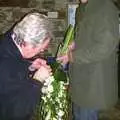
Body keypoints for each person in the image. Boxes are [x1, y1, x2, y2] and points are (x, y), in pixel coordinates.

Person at [70, 0, 119, 120]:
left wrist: (74, 56)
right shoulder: (81, 8)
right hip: (80, 75)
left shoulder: (106, 7)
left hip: (95, 78)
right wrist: (74, 43)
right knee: (79, 114)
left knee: (86, 115)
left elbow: (105, 46)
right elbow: (84, 36)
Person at [0, 11, 54, 120]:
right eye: (41, 49)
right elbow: (16, 112)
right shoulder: (4, 66)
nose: (42, 51)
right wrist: (37, 80)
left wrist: (29, 67)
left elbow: (15, 68)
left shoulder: (8, 40)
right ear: (28, 44)